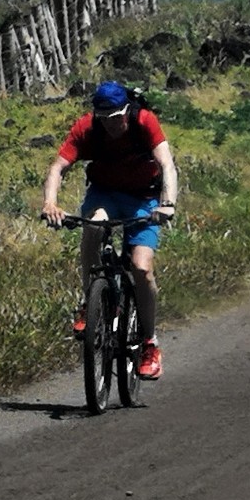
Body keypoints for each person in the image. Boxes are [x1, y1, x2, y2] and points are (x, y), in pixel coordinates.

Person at [41, 81, 178, 379]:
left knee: (141, 268)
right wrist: (50, 203)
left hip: (145, 199)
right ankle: (90, 298)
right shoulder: (87, 128)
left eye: (117, 117)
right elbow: (58, 168)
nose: (112, 124)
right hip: (105, 193)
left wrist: (167, 204)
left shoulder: (144, 121)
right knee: (93, 226)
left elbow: (166, 164)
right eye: (105, 118)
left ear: (127, 110)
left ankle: (149, 343)